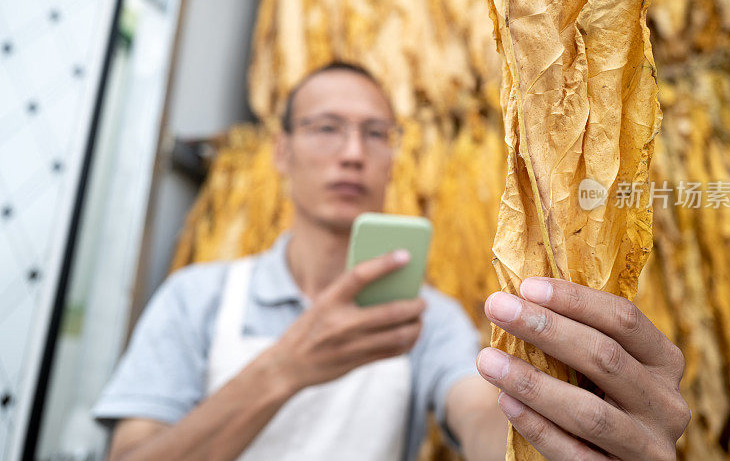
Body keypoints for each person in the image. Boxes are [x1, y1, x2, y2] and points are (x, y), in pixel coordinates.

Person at [92, 61, 691, 461]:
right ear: (281, 152)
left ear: (393, 158)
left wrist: (544, 434)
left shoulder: (427, 316)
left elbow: (479, 412)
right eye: (327, 128)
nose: (353, 153)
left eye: (376, 133)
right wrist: (287, 367)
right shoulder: (196, 297)